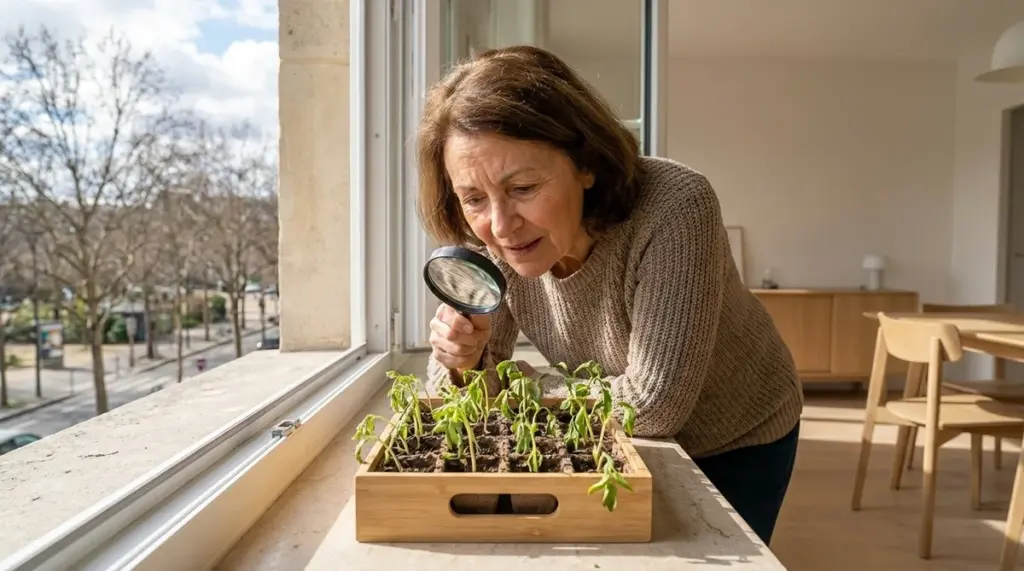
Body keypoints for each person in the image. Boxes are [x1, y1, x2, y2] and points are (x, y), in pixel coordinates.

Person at [418, 45, 803, 546]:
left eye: (524, 188)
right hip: (619, 431)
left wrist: (522, 385)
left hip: (737, 431)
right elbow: (449, 395)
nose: (501, 225)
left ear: (586, 164)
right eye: (473, 198)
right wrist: (461, 361)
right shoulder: (490, 236)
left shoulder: (676, 206)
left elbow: (654, 405)